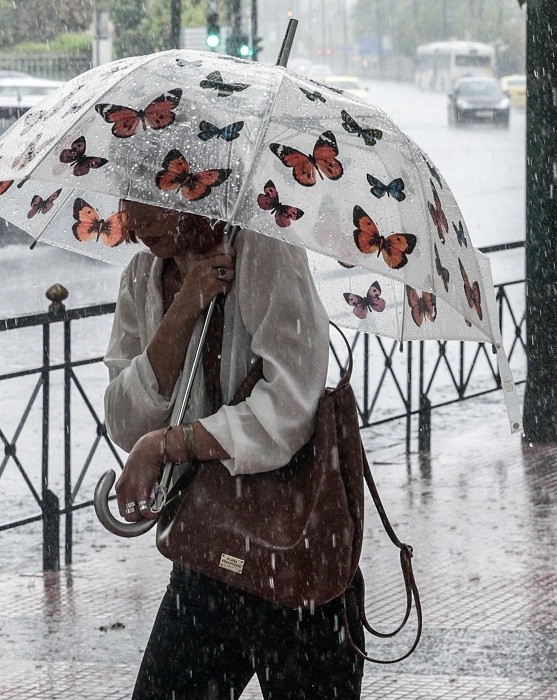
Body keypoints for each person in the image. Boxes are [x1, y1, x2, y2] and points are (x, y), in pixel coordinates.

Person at [103, 199, 366, 699]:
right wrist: (182, 311)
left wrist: (168, 445)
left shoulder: (264, 247)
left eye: (147, 197)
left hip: (299, 555)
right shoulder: (142, 276)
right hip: (207, 551)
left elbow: (289, 406)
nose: (132, 222)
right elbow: (124, 419)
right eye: (124, 197)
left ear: (189, 185)